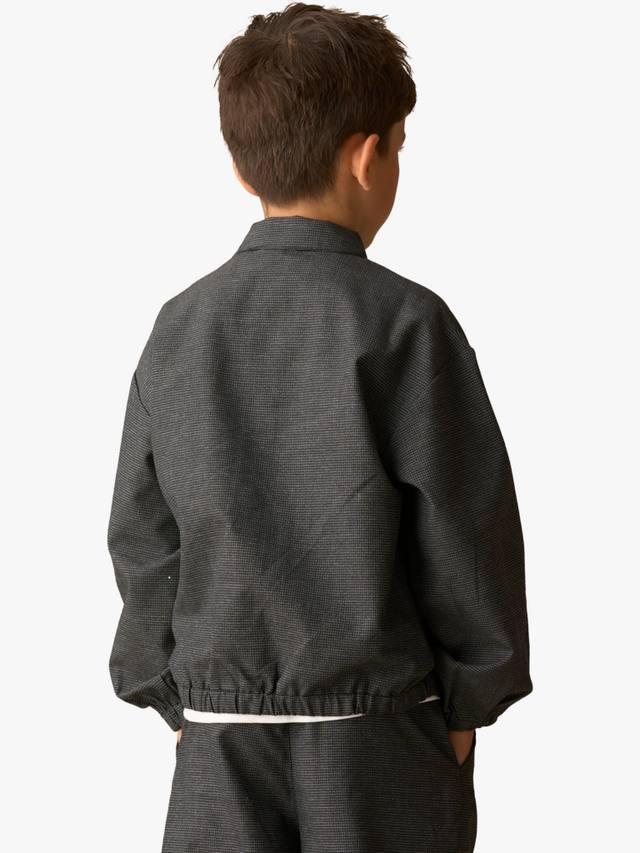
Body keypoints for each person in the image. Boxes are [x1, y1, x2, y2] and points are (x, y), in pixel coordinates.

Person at [106, 3, 533, 851]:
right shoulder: (409, 324)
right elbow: (468, 529)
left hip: (219, 742)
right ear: (370, 155)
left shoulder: (180, 326)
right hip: (383, 732)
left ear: (241, 167)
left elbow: (144, 535)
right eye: (400, 147)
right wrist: (471, 700)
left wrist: (172, 693)